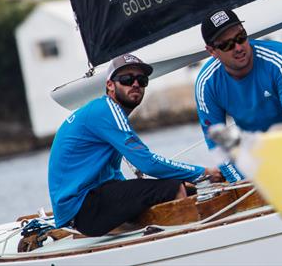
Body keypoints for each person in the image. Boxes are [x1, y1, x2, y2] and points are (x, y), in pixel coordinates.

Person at [48, 54, 220, 236]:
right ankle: (193, 241)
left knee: (186, 188)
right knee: (174, 188)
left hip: (84, 207)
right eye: (127, 79)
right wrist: (203, 172)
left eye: (141, 79)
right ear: (110, 86)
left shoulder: (104, 112)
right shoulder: (106, 110)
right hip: (83, 208)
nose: (135, 84)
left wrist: (141, 194)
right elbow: (147, 164)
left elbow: (113, 176)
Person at [195, 8, 282, 181]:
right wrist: (239, 181)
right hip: (260, 150)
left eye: (241, 37)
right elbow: (217, 143)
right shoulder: (206, 84)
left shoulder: (281, 58)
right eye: (227, 45)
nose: (239, 47)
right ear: (212, 51)